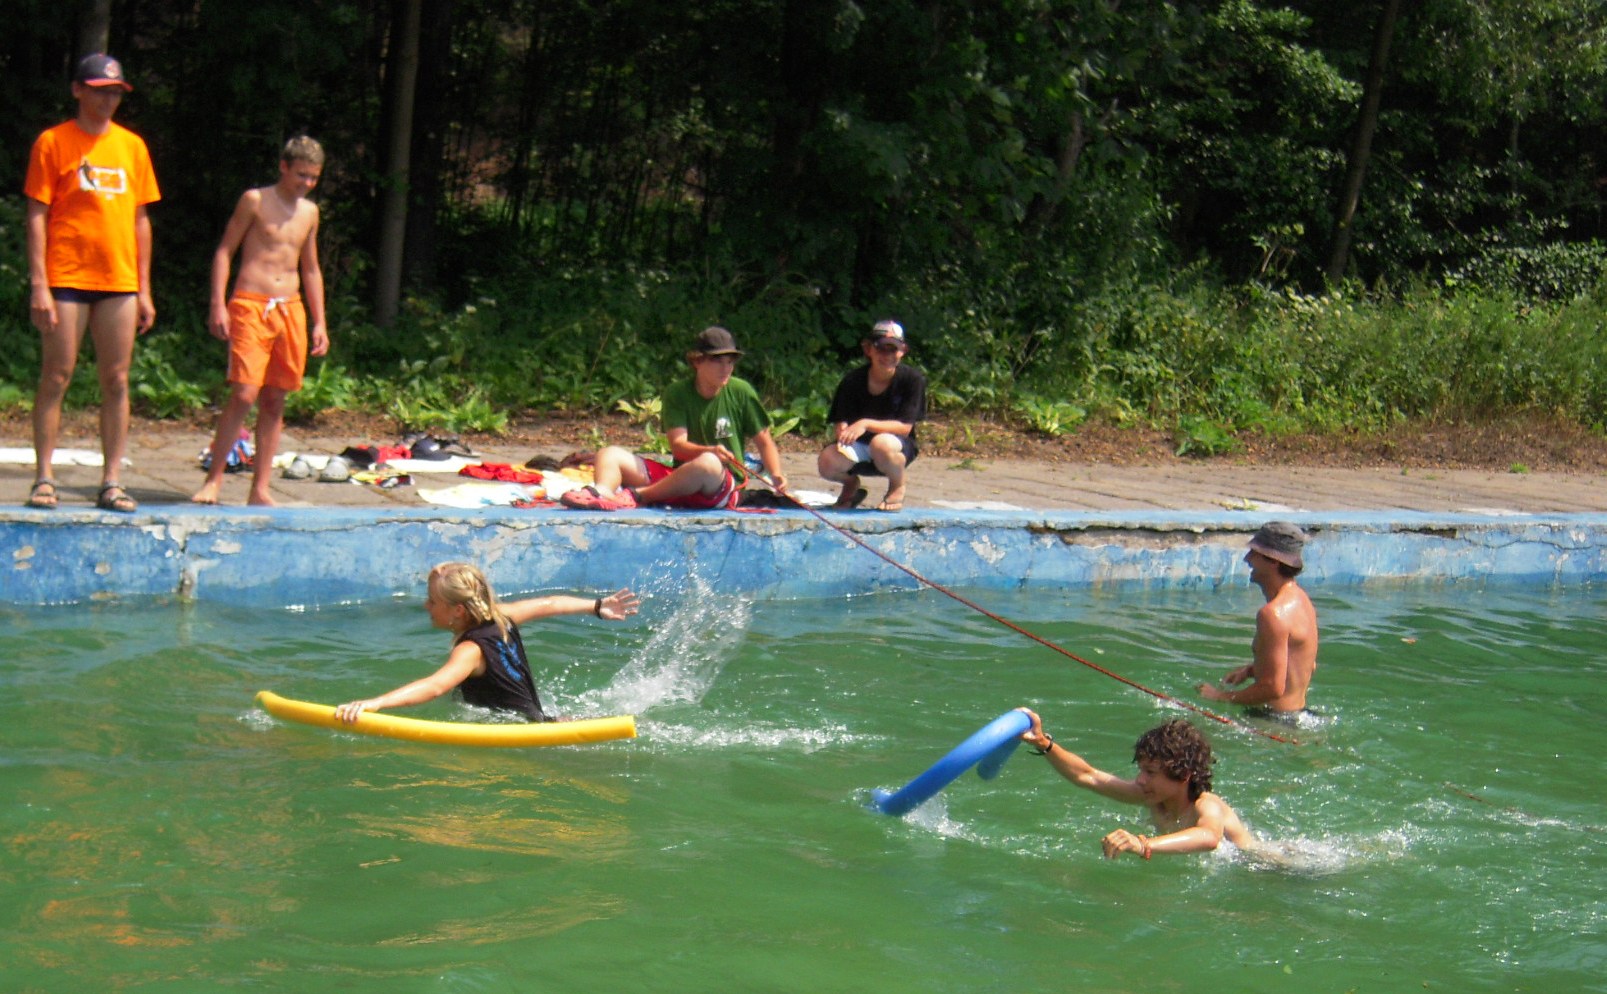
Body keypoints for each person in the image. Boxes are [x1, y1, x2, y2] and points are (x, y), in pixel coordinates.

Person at [23, 53, 160, 513]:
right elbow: (37, 213)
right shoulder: (53, 142)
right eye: (101, 91)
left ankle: (112, 480)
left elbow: (140, 219)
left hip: (118, 279)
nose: (109, 100)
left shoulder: (132, 147)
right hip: (66, 275)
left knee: (117, 379)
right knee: (57, 375)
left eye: (116, 92)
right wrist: (39, 284)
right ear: (78, 90)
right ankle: (45, 477)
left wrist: (144, 288)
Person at [192, 136, 329, 506]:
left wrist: (319, 321)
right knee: (244, 393)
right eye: (301, 175)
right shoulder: (255, 200)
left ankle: (260, 489)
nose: (306, 183)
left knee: (274, 399)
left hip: (290, 308)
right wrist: (218, 303)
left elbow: (311, 268)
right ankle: (214, 480)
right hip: (251, 303)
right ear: (284, 167)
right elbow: (225, 251)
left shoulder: (310, 212)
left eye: (313, 177)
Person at [335, 562, 641, 724]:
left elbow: (435, 686)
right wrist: (596, 606)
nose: (426, 607)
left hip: (516, 735)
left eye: (432, 601)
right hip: (532, 720)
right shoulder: (500, 616)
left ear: (457, 610)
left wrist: (376, 703)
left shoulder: (470, 651)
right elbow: (549, 604)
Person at [560, 326, 789, 511]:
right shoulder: (677, 393)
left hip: (721, 485)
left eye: (730, 361)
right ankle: (602, 493)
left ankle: (639, 496)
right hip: (679, 479)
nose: (726, 368)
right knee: (609, 453)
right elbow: (678, 448)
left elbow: (764, 442)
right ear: (697, 361)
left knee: (709, 463)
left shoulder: (741, 391)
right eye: (718, 361)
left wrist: (776, 475)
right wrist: (710, 450)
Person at [1016, 708, 1254, 858]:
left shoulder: (1206, 804)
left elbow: (1209, 837)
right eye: (1141, 770)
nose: (1140, 779)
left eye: (1150, 772)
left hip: (1260, 866)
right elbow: (1087, 776)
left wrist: (1143, 844)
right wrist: (1044, 743)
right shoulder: (1152, 796)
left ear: (1183, 775)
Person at [1198, 521, 1319, 717]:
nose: (1247, 559)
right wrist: (1251, 671)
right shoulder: (1302, 600)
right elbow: (1304, 664)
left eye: (1254, 553)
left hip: (1273, 721)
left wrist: (1219, 696)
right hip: (1297, 715)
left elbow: (1272, 689)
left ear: (1274, 561)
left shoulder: (1273, 614)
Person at [817, 319, 927, 511]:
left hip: (894, 447)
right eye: (881, 348)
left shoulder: (912, 380)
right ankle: (851, 484)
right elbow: (841, 420)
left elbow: (904, 427)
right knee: (827, 461)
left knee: (881, 443)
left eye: (893, 349)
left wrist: (865, 424)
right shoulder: (852, 380)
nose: (887, 355)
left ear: (902, 351)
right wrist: (843, 432)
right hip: (859, 446)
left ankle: (897, 486)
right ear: (869, 350)